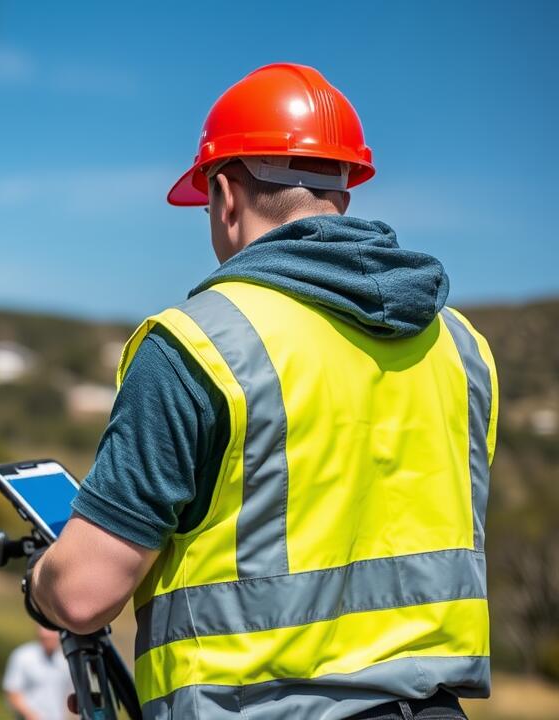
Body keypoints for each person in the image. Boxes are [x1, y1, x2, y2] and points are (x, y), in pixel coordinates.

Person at [24, 63, 496, 719]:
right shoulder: (461, 348)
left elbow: (82, 594)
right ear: (346, 194)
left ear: (224, 194)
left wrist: (41, 581)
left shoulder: (197, 344)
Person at [3, 625, 73, 720]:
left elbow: (70, 693)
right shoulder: (23, 656)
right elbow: (12, 692)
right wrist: (30, 715)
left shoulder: (65, 659)